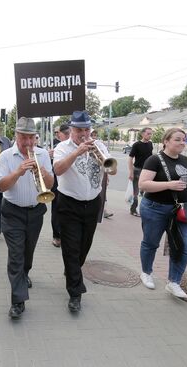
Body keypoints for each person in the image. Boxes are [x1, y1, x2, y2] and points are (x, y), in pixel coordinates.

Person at [53, 111, 117, 313]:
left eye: (87, 129)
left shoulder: (99, 145)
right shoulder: (62, 147)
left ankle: (72, 270)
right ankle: (75, 293)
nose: (84, 133)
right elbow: (58, 170)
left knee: (84, 246)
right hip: (69, 204)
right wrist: (77, 152)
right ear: (71, 130)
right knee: (71, 248)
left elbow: (112, 170)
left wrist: (102, 158)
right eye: (79, 130)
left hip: (92, 203)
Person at [0, 117, 54, 319]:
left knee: (28, 252)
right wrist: (19, 171)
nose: (29, 143)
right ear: (16, 136)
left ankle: (25, 273)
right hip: (12, 212)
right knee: (16, 255)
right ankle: (18, 301)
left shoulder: (42, 154)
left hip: (36, 211)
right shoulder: (5, 156)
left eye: (32, 138)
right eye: (25, 138)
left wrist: (43, 170)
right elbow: (1, 186)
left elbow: (51, 184)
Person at [138, 128, 187, 299]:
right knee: (151, 243)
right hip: (155, 208)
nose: (181, 142)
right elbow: (143, 184)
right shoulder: (154, 159)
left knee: (185, 245)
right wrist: (168, 185)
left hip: (181, 211)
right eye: (177, 139)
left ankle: (174, 282)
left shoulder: (186, 160)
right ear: (166, 141)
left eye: (184, 140)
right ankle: (146, 272)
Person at [50, 123, 69, 247]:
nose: (68, 136)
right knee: (56, 209)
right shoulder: (55, 147)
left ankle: (66, 235)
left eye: (70, 134)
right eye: (66, 134)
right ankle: (56, 235)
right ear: (59, 134)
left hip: (70, 184)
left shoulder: (75, 146)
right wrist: (48, 156)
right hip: (57, 182)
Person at [128, 127, 153, 217]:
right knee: (136, 191)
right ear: (142, 134)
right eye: (148, 133)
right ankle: (133, 209)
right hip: (137, 170)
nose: (150, 135)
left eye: (151, 134)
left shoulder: (150, 144)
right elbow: (130, 158)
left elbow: (150, 158)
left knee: (147, 191)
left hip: (147, 171)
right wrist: (131, 172)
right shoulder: (136, 145)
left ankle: (146, 209)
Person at [91, 129, 113, 221]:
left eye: (95, 135)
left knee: (101, 195)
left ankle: (103, 211)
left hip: (97, 180)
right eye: (92, 135)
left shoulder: (99, 145)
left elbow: (110, 167)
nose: (94, 137)